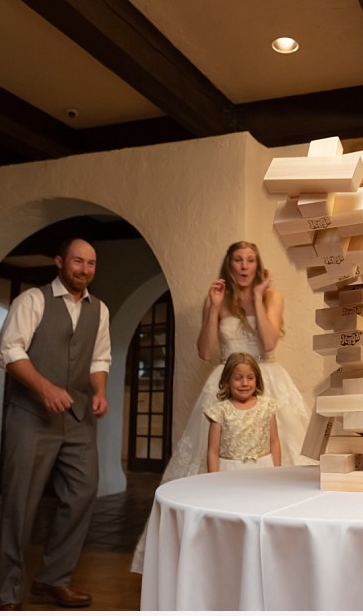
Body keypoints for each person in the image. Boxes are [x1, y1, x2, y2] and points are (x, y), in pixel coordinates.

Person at [131, 240, 312, 572]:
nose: (244, 266)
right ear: (229, 266)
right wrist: (214, 308)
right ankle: (214, 554)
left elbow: (269, 343)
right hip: (225, 381)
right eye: (238, 260)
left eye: (250, 260)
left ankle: (281, 554)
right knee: (213, 455)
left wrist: (257, 298)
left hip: (265, 377)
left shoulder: (273, 297)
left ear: (258, 266)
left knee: (280, 455)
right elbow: (205, 351)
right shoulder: (217, 298)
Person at [0, 238, 111, 609]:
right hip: (32, 416)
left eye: (91, 263)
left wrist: (99, 392)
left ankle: (52, 578)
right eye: (78, 261)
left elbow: (99, 359)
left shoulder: (101, 310)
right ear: (60, 262)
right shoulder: (32, 300)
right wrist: (44, 387)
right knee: (20, 503)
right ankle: (9, 589)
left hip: (77, 418)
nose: (84, 269)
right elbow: (10, 351)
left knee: (83, 492)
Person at [206, 352, 282, 472]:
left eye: (250, 378)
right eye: (238, 378)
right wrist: (214, 479)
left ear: (257, 379)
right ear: (227, 381)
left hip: (264, 468)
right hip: (230, 471)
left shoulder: (267, 407)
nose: (245, 383)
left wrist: (277, 470)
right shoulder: (220, 411)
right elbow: (213, 451)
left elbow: (274, 442)